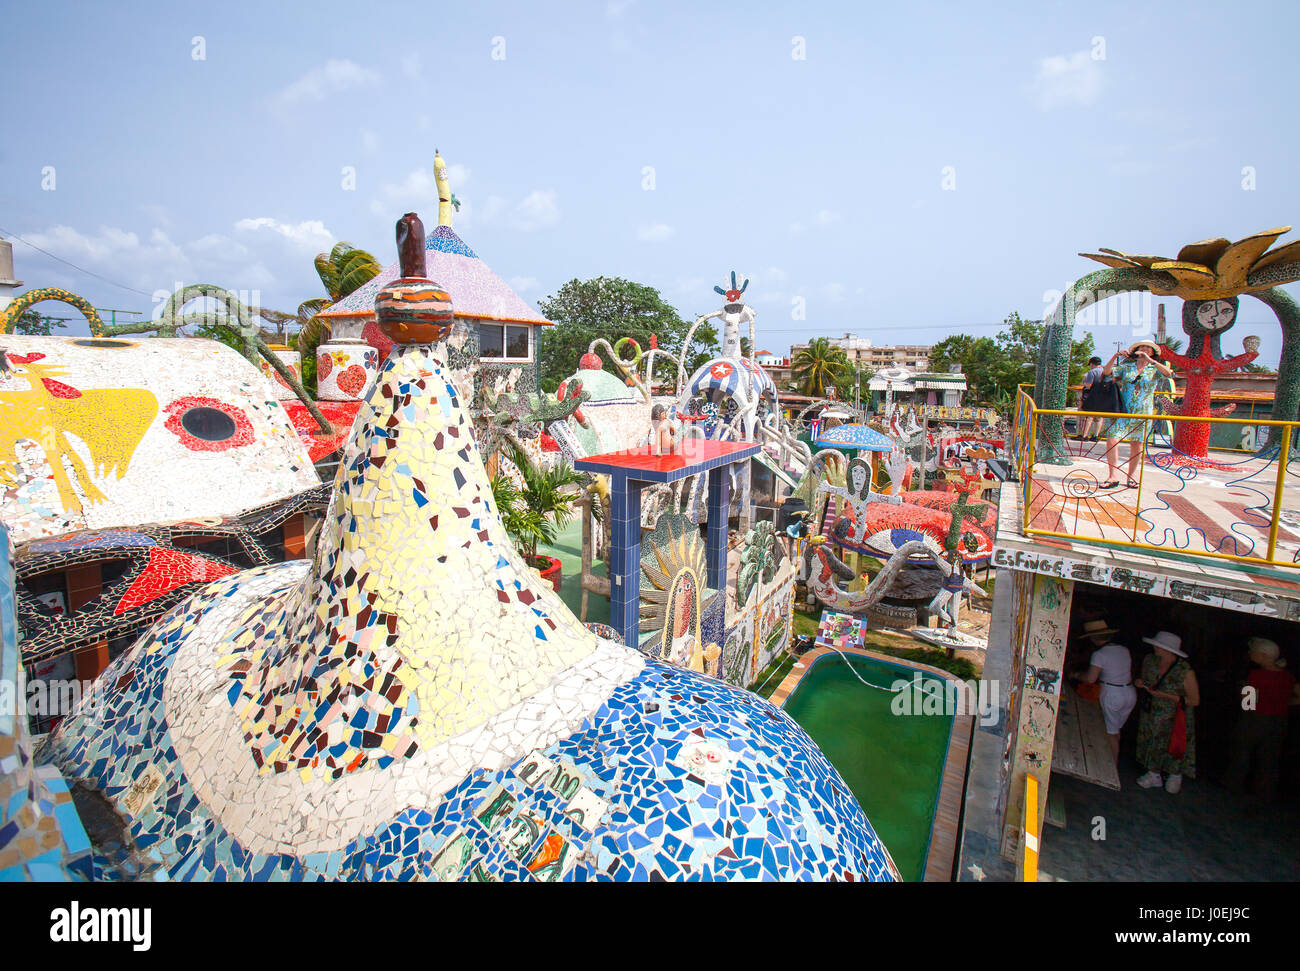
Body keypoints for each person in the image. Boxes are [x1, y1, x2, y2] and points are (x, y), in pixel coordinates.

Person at [1224, 637, 1299, 803]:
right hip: (1279, 722)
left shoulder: (1257, 675)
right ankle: (1265, 794)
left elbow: (1248, 703)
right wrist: (1284, 704)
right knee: (1269, 759)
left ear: (1264, 655)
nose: (1250, 654)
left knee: (1241, 752)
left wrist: (1242, 691)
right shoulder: (1288, 676)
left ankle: (1234, 787)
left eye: (1254, 652)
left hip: (1255, 720)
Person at [1101, 341, 1175, 490]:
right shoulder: (1126, 368)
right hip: (1123, 411)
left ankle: (1131, 476)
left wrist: (1151, 361)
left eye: (1148, 349)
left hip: (1143, 413)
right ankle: (1113, 475)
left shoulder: (1153, 369)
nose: (1144, 350)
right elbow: (1107, 372)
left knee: (1137, 444)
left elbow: (1168, 374)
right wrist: (1115, 356)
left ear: (1153, 353)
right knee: (1112, 439)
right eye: (1141, 348)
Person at [1134, 630, 1199, 793]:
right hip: (1152, 712)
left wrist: (1165, 695)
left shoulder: (1185, 671)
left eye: (1159, 646)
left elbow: (1194, 700)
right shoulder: (1150, 661)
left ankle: (1174, 774)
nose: (1155, 648)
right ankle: (1153, 773)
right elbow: (1145, 678)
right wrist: (1140, 683)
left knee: (1174, 745)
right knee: (1152, 740)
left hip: (1175, 716)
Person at [1071, 618, 1136, 763]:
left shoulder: (1099, 655)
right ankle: (1113, 762)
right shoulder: (1124, 650)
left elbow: (1090, 679)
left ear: (1093, 638)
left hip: (1112, 694)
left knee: (1110, 733)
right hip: (1129, 692)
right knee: (1116, 730)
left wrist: (1075, 675)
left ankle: (1112, 768)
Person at [1077, 357, 1117, 442]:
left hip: (1092, 396)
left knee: (1089, 416)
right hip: (1104, 396)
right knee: (1099, 417)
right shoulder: (1106, 371)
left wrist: (1084, 381)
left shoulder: (1092, 372)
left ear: (1091, 364)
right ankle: (1095, 436)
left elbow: (1089, 385)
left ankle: (1084, 435)